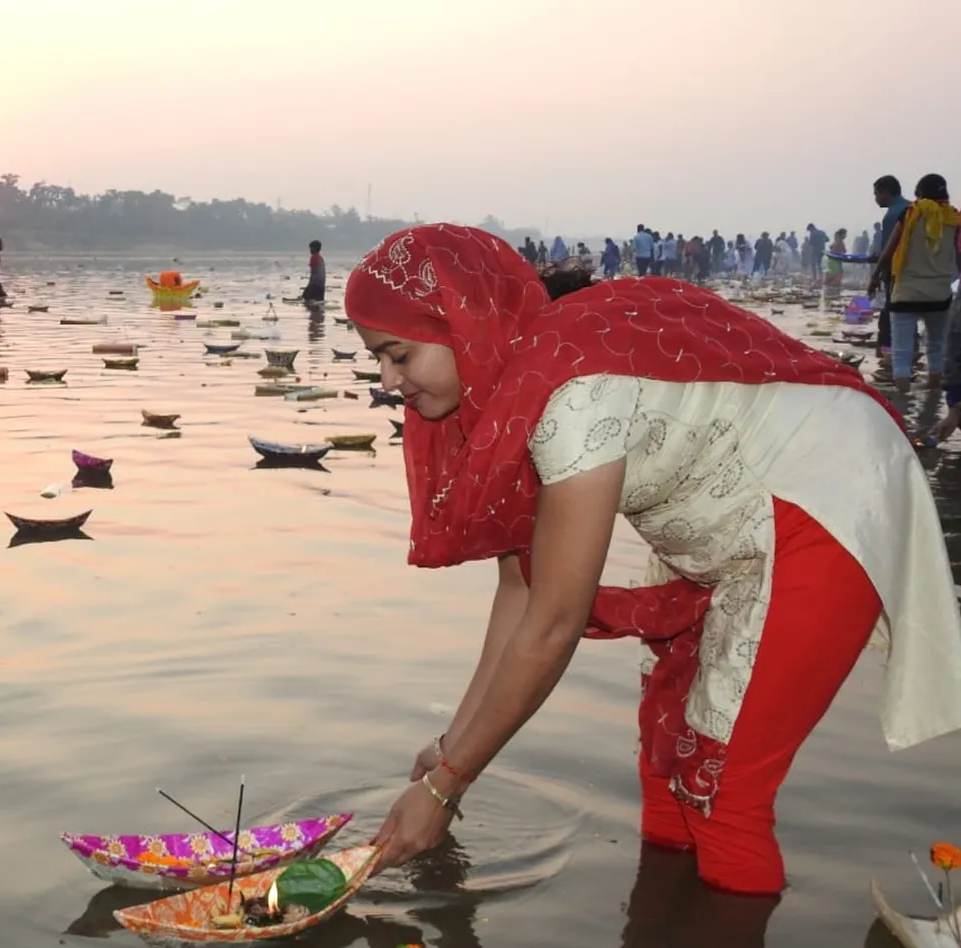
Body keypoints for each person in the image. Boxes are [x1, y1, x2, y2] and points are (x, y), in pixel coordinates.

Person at [345, 224, 961, 892]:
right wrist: (451, 746)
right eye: (379, 359)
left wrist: (446, 786)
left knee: (721, 794)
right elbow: (521, 588)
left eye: (399, 356)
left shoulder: (570, 393)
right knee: (667, 773)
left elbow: (554, 623)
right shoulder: (517, 382)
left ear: (462, 322)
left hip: (817, 502)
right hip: (716, 526)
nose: (388, 380)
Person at [868, 174, 959, 394]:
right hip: (939, 294)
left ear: (919, 193)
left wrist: (875, 277)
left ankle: (902, 403)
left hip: (906, 292)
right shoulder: (954, 219)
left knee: (902, 351)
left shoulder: (910, 214)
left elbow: (890, 250)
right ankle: (932, 397)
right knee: (936, 347)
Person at [871, 175, 912, 361]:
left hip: (896, 273)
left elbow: (889, 251)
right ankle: (910, 354)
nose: (875, 199)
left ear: (886, 192)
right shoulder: (913, 209)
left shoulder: (892, 215)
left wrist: (877, 275)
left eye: (876, 194)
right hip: (916, 274)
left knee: (889, 316)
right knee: (909, 317)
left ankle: (886, 358)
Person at [302, 239, 326, 304]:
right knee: (318, 303)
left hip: (315, 284)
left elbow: (314, 272)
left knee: (305, 299)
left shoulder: (314, 258)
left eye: (311, 248)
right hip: (321, 285)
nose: (310, 250)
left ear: (314, 249)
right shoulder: (320, 258)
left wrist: (309, 285)